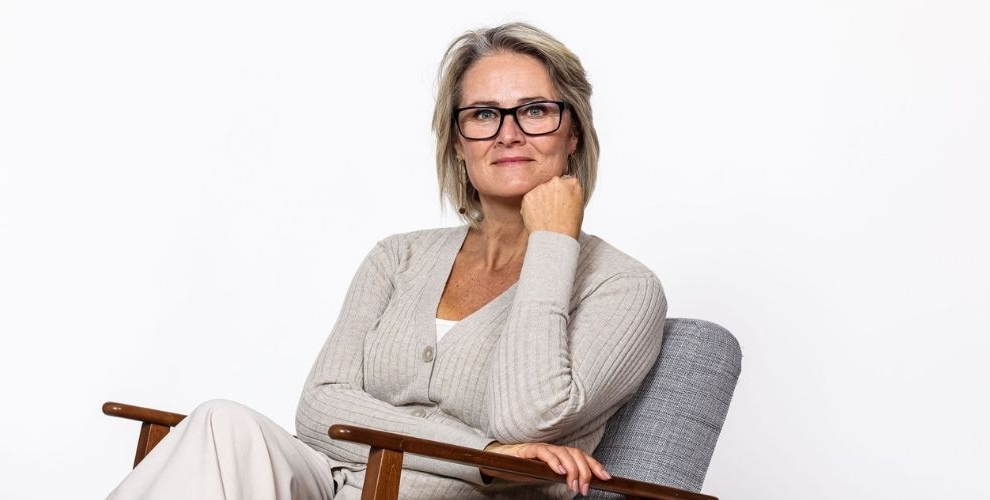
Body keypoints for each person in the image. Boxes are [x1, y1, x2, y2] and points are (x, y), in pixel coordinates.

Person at [105, 22, 667, 500]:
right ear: (456, 141)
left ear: (573, 132)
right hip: (329, 482)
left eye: (536, 110)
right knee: (220, 422)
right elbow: (320, 406)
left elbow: (526, 420)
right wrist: (484, 452)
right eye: (483, 115)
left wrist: (552, 246)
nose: (509, 134)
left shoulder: (623, 287)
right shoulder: (401, 256)